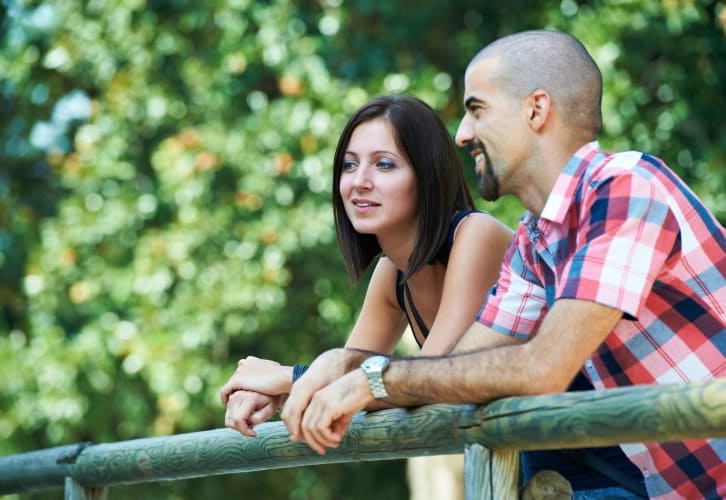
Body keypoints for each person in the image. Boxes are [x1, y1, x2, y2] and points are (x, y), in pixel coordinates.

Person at [278, 30, 726, 500]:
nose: (462, 134)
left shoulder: (625, 187)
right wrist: (342, 366)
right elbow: (456, 370)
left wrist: (374, 381)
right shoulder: (534, 243)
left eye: (476, 110)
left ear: (536, 110)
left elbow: (542, 368)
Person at [219, 95, 513, 435]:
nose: (359, 181)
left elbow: (426, 379)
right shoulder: (393, 274)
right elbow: (347, 390)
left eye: (384, 164)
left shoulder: (476, 235)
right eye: (349, 165)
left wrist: (286, 377)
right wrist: (270, 392)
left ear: (427, 176)